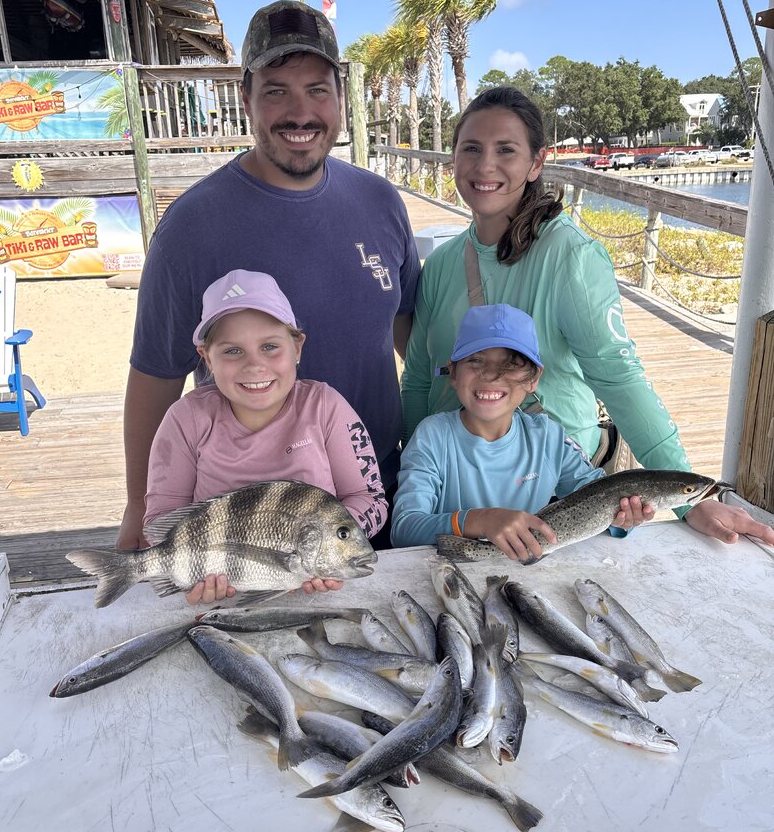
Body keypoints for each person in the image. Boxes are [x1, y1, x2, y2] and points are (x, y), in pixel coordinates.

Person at [400, 86, 774, 549]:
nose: (485, 165)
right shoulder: (440, 264)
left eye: (506, 150)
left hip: (554, 492)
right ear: (453, 158)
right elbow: (419, 378)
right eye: (471, 148)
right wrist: (411, 467)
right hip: (451, 492)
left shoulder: (571, 256)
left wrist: (687, 499)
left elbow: (618, 375)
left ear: (536, 163)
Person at [118, 0, 419, 551]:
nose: (300, 113)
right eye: (277, 91)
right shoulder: (191, 226)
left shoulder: (381, 202)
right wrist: (139, 509)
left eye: (317, 90)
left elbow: (407, 335)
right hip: (248, 525)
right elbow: (155, 376)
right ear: (246, 98)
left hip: (373, 503)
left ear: (340, 95)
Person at [144, 269, 388, 605]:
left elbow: (370, 498)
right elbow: (160, 522)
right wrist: (188, 574)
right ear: (207, 358)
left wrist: (329, 547)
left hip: (322, 599)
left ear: (297, 347)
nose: (255, 365)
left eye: (270, 346)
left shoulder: (325, 407)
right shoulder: (186, 419)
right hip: (219, 602)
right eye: (232, 351)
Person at [392, 303, 653, 556]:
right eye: (476, 360)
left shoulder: (548, 437)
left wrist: (624, 517)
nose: (492, 375)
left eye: (512, 364)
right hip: (448, 571)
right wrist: (480, 520)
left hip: (529, 572)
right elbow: (404, 529)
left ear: (534, 378)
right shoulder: (432, 437)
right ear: (453, 373)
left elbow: (603, 499)